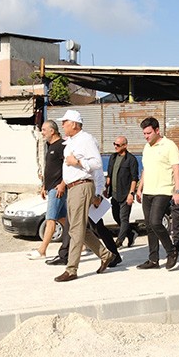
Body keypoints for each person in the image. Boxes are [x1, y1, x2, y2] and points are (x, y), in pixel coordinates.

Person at [54, 110, 114, 282]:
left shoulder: (86, 139)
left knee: (76, 229)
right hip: (73, 187)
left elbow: (96, 163)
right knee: (76, 227)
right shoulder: (71, 141)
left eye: (65, 122)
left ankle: (71, 269)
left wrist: (78, 162)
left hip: (81, 186)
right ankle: (105, 254)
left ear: (74, 123)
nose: (63, 125)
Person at [135, 117, 179, 270]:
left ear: (157, 130)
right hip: (148, 190)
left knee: (156, 222)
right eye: (144, 134)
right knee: (149, 226)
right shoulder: (147, 147)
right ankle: (153, 259)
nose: (146, 136)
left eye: (148, 133)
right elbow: (145, 170)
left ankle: (171, 251)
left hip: (163, 190)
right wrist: (140, 188)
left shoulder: (169, 145)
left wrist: (177, 190)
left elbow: (176, 169)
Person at [28, 120, 66, 260]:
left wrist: (62, 184)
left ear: (52, 131)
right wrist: (44, 186)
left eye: (44, 130)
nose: (42, 132)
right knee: (64, 219)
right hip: (51, 188)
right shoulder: (50, 146)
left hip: (57, 189)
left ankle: (42, 250)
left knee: (50, 219)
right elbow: (50, 169)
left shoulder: (62, 146)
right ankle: (84, 244)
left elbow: (67, 168)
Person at [105, 136, 139, 248]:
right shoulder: (113, 157)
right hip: (114, 194)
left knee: (124, 218)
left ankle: (119, 241)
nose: (115, 146)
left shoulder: (131, 159)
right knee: (116, 217)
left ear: (125, 145)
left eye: (118, 145)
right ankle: (131, 233)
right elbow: (109, 175)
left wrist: (131, 194)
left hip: (125, 194)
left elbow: (134, 178)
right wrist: (106, 187)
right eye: (114, 144)